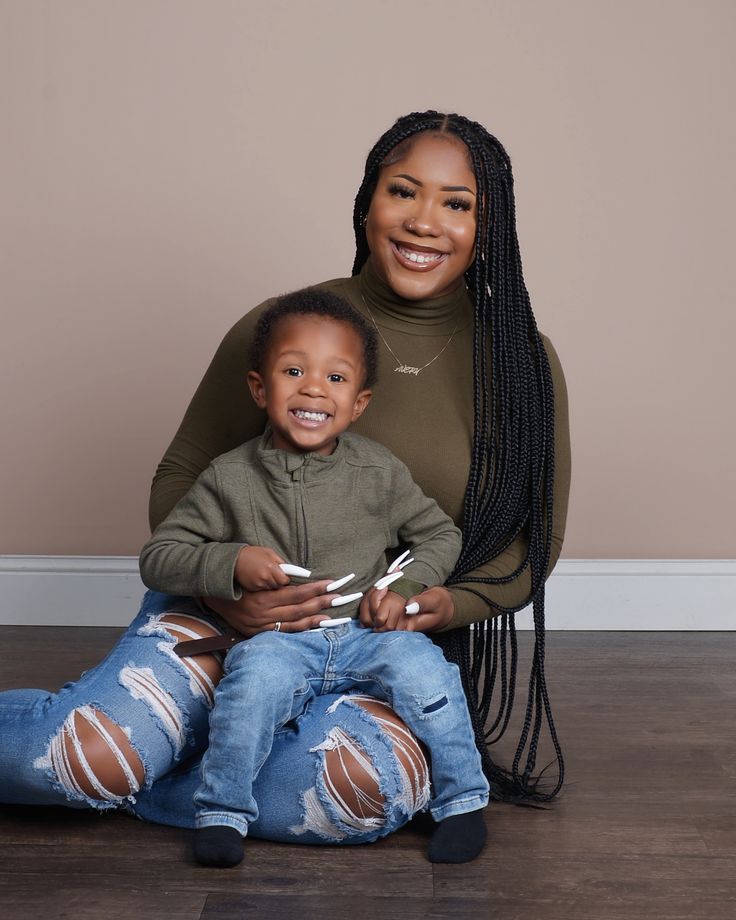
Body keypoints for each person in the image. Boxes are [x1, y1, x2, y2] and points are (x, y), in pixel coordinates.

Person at [0, 111, 570, 856]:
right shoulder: (289, 327)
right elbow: (179, 478)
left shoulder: (522, 363)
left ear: (488, 224)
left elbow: (533, 545)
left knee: (360, 793)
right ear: (368, 201)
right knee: (89, 762)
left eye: (457, 203)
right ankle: (129, 757)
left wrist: (441, 604)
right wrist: (225, 593)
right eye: (404, 192)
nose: (426, 221)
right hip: (222, 616)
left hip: (380, 643)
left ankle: (181, 777)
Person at [139, 289, 490, 866]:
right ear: (260, 388)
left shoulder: (377, 471)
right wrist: (229, 563)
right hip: (279, 641)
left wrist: (402, 590)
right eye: (294, 370)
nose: (312, 388)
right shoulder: (229, 478)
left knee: (428, 674)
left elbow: (439, 536)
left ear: (358, 402)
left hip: (367, 635)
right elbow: (160, 556)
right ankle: (222, 813)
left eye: (335, 378)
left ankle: (462, 802)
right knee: (249, 688)